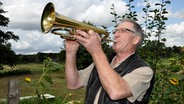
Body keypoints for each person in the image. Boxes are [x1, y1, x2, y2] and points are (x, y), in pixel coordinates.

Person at [64, 18, 154, 104]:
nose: (116, 35)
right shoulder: (102, 62)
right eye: (115, 31)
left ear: (136, 39)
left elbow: (116, 92)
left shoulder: (144, 70)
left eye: (123, 30)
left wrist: (96, 51)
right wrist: (70, 52)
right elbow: (73, 84)